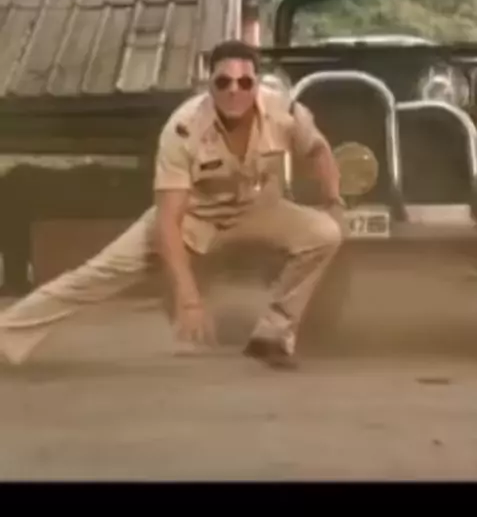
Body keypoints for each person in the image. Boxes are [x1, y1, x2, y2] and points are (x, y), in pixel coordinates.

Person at [0, 40, 345, 371]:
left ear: (256, 84)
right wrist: (188, 298)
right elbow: (168, 220)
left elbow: (318, 150)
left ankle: (272, 335)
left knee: (325, 233)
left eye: (244, 82)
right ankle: (5, 335)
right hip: (193, 218)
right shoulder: (183, 129)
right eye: (223, 82)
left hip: (254, 209)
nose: (234, 90)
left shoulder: (284, 111)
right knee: (92, 277)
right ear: (209, 84)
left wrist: (334, 201)